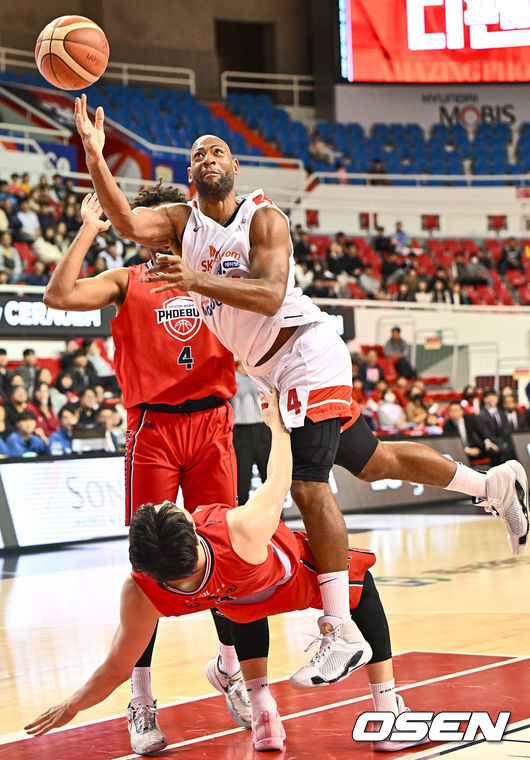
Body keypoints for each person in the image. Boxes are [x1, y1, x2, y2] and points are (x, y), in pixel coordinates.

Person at [75, 91, 529, 653]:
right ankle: (493, 483)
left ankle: (338, 629)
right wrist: (95, 154)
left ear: (235, 167)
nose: (208, 157)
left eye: (217, 150)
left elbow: (267, 296)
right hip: (275, 370)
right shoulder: (179, 223)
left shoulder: (264, 218)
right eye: (198, 154)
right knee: (372, 460)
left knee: (311, 485)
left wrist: (195, 283)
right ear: (190, 173)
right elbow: (122, 220)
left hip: (303, 353)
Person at [25, 391, 428, 754]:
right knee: (360, 583)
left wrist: (73, 705)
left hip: (235, 603)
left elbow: (114, 668)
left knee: (237, 607)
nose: (171, 502)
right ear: (187, 524)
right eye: (170, 507)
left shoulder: (143, 591)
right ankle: (388, 712)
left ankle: (263, 713)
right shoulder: (240, 530)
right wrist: (276, 425)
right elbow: (280, 477)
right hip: (289, 581)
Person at [44, 188, 264, 754]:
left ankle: (231, 668)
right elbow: (58, 294)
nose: (158, 228)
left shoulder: (216, 276)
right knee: (149, 563)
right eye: (145, 221)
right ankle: (140, 698)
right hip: (155, 428)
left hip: (214, 423)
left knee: (227, 553)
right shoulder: (125, 281)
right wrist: (90, 226)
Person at [231, 360, 271, 507]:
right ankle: (242, 523)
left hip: (263, 430)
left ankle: (278, 522)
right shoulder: (232, 376)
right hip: (240, 433)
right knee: (242, 482)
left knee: (270, 480)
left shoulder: (260, 374)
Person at [475, 389, 517, 466]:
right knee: (500, 452)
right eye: (488, 397)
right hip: (491, 444)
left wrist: (504, 443)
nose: (491, 399)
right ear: (484, 400)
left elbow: (505, 430)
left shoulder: (501, 412)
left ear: (497, 398)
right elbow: (486, 433)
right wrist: (501, 444)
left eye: (493, 396)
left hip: (503, 443)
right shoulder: (481, 416)